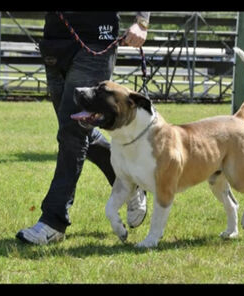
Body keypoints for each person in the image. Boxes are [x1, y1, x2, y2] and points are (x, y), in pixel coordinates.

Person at [16, 11, 150, 245]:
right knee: (79, 128)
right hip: (55, 40)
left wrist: (142, 22)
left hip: (96, 39)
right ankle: (129, 181)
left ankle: (53, 221)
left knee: (73, 132)